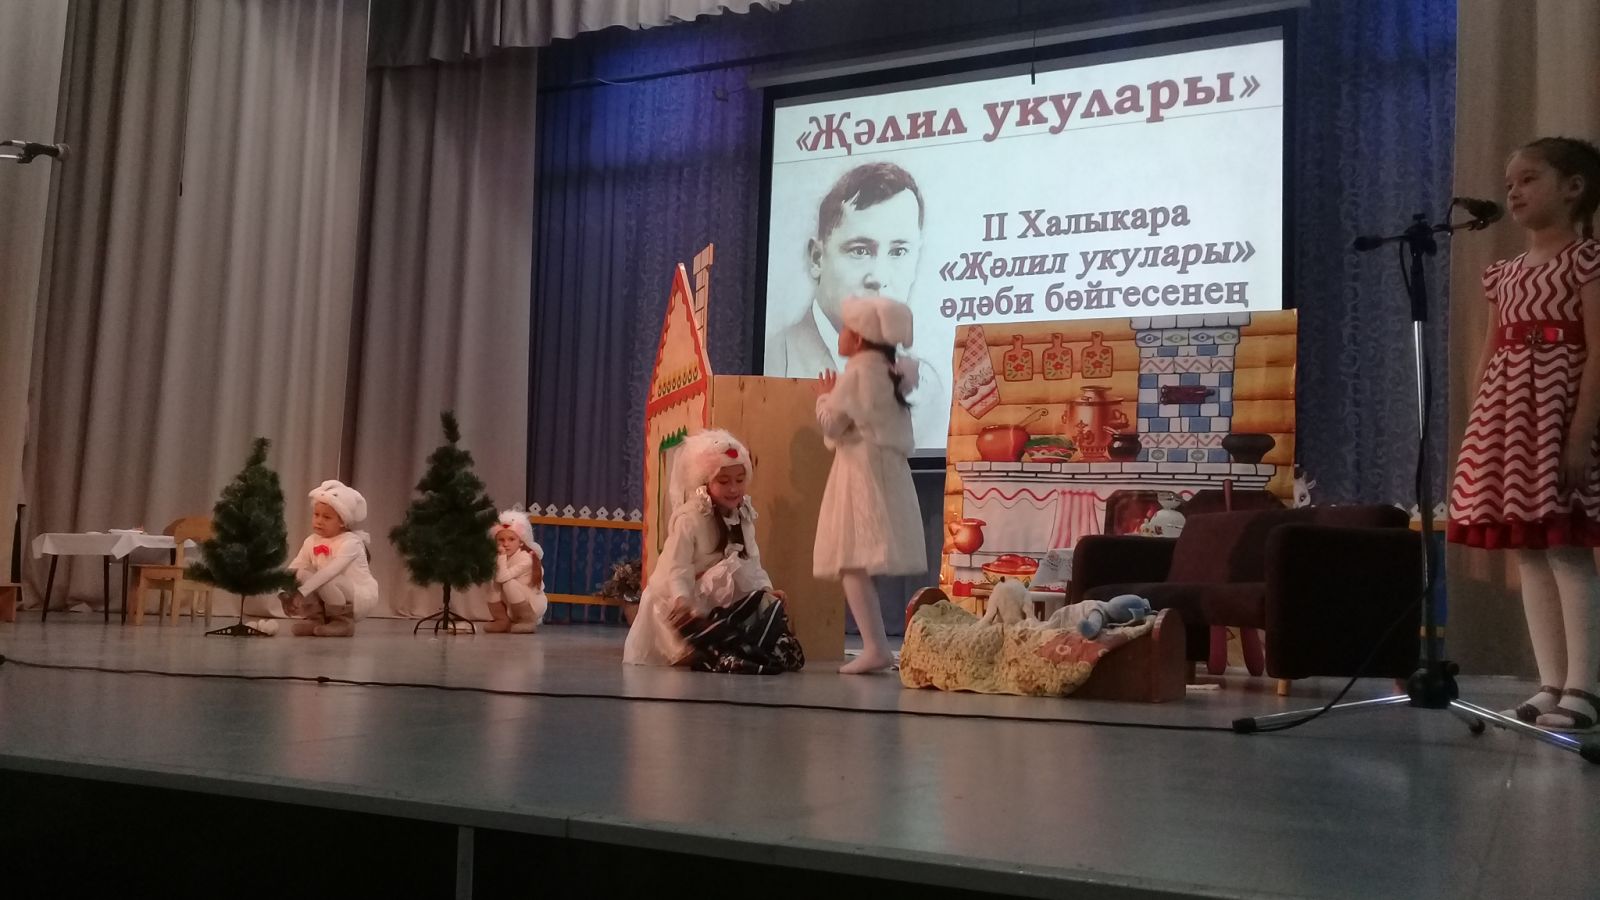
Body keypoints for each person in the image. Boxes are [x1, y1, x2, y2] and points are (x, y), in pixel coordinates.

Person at [1448, 136, 1600, 732]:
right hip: (1508, 423)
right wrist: (1481, 430)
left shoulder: (1586, 261)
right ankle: (1550, 682)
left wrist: (1580, 433)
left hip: (1559, 417)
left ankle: (1585, 688)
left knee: (1566, 548)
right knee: (1529, 552)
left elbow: (1597, 351)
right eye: (1510, 182)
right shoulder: (1503, 273)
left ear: (1573, 188)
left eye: (1529, 179)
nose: (1513, 191)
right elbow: (1490, 353)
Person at [771, 161, 948, 449]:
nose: (879, 277)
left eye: (899, 251)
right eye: (860, 250)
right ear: (817, 258)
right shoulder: (775, 361)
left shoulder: (928, 387)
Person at [622, 429, 803, 673]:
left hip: (711, 596)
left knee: (750, 607)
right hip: (677, 598)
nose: (733, 489)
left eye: (740, 480)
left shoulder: (742, 515)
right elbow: (678, 567)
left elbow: (751, 561)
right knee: (687, 651)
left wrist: (766, 590)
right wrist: (682, 599)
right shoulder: (690, 518)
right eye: (724, 481)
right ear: (706, 481)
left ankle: (724, 641)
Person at [812, 295, 928, 674]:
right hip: (886, 473)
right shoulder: (889, 373)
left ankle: (876, 647)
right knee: (860, 560)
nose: (841, 334)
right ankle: (877, 646)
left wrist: (824, 399)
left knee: (850, 559)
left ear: (859, 339)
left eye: (845, 328)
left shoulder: (858, 374)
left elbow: (833, 425)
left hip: (859, 474)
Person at [284, 480, 380, 637]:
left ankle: (343, 621)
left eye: (327, 517)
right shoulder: (311, 540)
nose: (319, 521)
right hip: (330, 588)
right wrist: (284, 592)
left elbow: (330, 572)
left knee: (326, 579)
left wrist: (301, 593)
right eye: (316, 515)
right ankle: (316, 619)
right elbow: (295, 566)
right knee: (301, 574)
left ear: (342, 521)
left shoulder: (351, 542)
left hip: (358, 594)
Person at [487, 508, 546, 634]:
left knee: (508, 583)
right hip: (511, 604)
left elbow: (503, 577)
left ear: (521, 542)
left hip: (530, 604)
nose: (505, 544)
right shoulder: (501, 557)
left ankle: (526, 621)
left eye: (511, 539)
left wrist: (502, 556)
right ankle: (501, 620)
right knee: (493, 583)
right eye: (501, 540)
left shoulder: (526, 559)